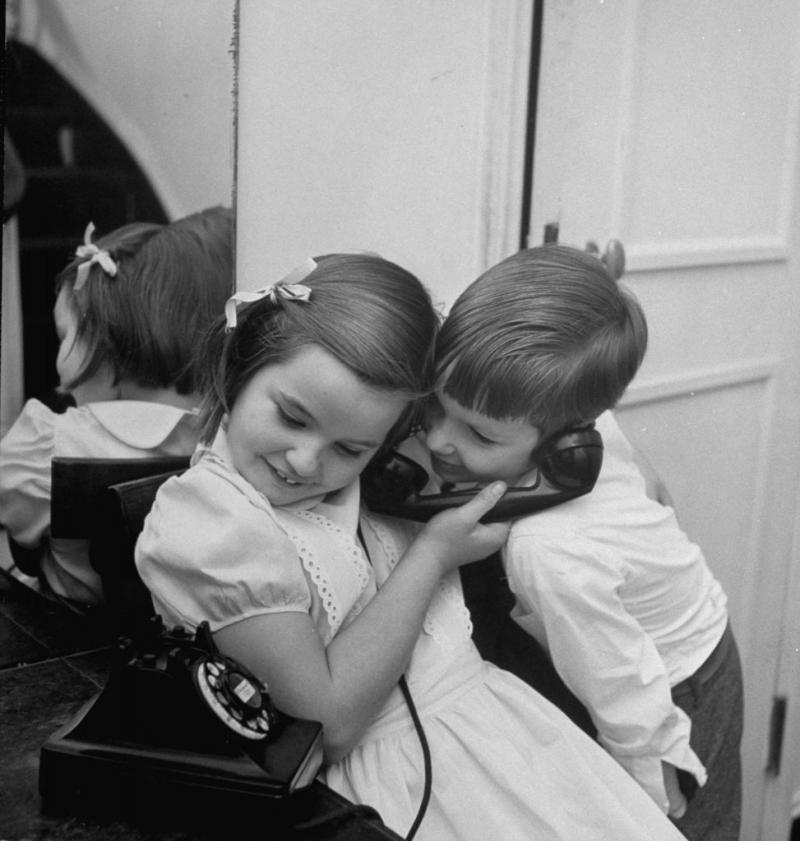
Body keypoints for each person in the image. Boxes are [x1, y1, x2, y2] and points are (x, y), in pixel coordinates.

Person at [135, 253, 687, 841]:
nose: (305, 461)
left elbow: (536, 392)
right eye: (292, 418)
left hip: (504, 745)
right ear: (240, 368)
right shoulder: (211, 521)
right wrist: (431, 555)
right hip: (390, 790)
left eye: (351, 449)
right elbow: (325, 722)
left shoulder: (381, 462)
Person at [416, 243, 742, 840]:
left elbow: (622, 685)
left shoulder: (546, 549)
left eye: (477, 435)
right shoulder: (567, 413)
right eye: (437, 407)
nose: (438, 441)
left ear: (563, 445)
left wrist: (656, 793)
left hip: (674, 686)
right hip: (661, 649)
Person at [0, 206, 234, 607]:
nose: (58, 358)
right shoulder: (227, 436)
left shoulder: (49, 446)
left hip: (68, 633)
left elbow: (15, 523)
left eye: (64, 336)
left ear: (105, 348)